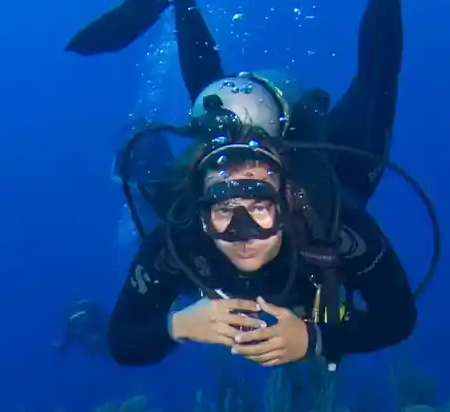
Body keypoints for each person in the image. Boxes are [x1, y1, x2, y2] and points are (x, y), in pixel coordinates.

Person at [69, 0, 450, 205]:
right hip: (292, 150)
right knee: (216, 109)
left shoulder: (326, 203)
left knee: (369, 92)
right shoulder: (196, 216)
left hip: (322, 164)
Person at [107, 138, 416, 370]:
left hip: (345, 175)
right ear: (203, 218)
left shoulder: (339, 230)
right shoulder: (176, 243)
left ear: (285, 207)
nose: (244, 233)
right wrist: (178, 325)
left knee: (375, 91)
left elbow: (398, 318)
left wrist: (315, 338)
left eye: (260, 208)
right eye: (225, 210)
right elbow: (122, 341)